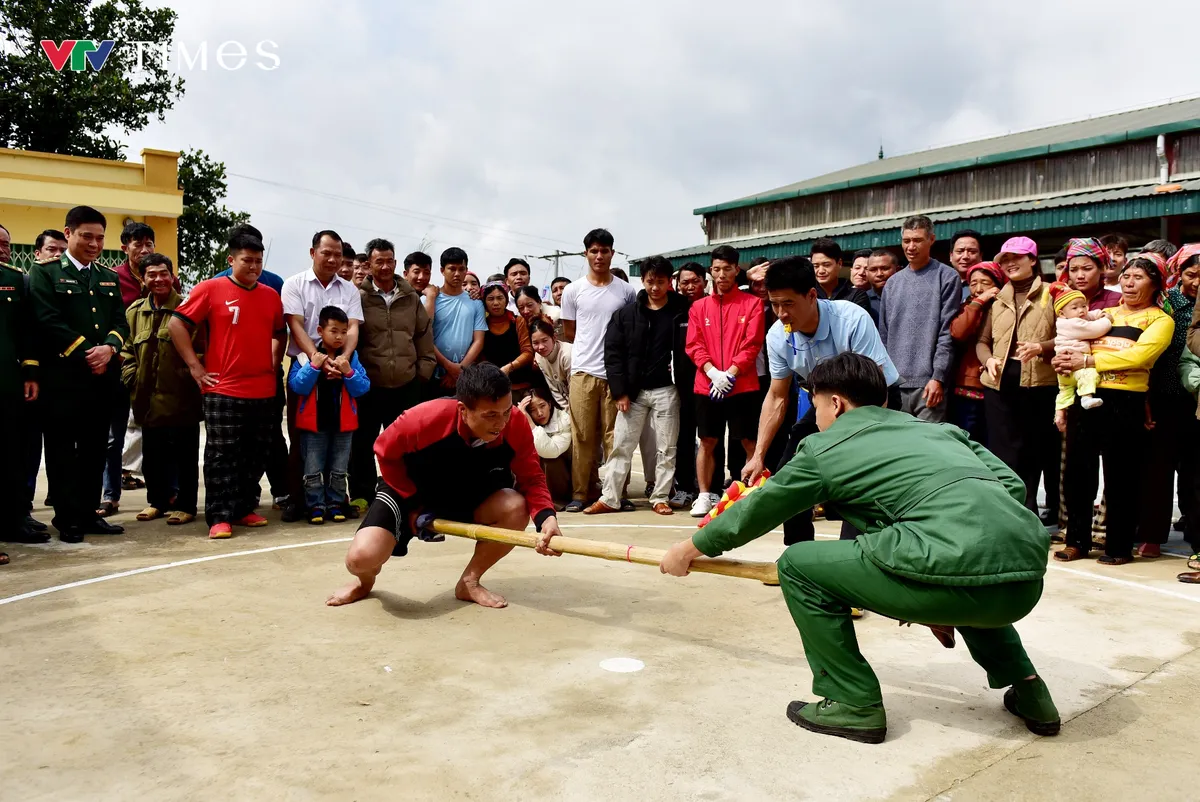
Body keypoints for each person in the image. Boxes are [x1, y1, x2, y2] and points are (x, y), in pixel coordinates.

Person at [659, 352, 1060, 745]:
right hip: (1023, 582)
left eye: (814, 405)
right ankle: (1031, 693)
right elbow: (1012, 486)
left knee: (798, 564)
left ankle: (854, 703)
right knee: (971, 562)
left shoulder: (825, 447)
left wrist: (689, 549)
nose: (815, 417)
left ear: (835, 403)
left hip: (953, 574)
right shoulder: (941, 431)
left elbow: (759, 509)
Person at [326, 363, 564, 609]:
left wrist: (546, 519)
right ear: (463, 410)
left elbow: (532, 477)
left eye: (505, 412)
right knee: (360, 559)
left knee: (516, 506)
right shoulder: (424, 418)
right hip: (408, 493)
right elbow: (384, 451)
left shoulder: (514, 422)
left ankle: (469, 582)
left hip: (468, 494)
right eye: (490, 415)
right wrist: (414, 504)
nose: (501, 423)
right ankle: (365, 583)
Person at [741, 255, 899, 546]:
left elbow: (876, 389)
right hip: (823, 405)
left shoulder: (851, 319)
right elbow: (777, 396)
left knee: (861, 479)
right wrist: (758, 454)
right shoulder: (777, 336)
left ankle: (858, 554)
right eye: (774, 304)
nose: (781, 313)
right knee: (789, 474)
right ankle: (799, 554)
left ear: (812, 295)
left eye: (788, 304)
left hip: (875, 402)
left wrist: (862, 448)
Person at [1054, 253, 1174, 564]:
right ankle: (1076, 541)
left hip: (1126, 401)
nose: (1129, 283)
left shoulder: (1160, 320)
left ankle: (1118, 547)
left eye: (1138, 278)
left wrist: (1088, 361)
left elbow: (1139, 358)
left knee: (1121, 476)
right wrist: (1064, 366)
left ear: (1155, 284)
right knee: (1077, 473)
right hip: (1086, 395)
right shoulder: (1101, 313)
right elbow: (1073, 339)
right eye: (1126, 276)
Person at [169, 230, 287, 539]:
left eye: (259, 261)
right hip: (223, 389)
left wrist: (273, 365)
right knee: (222, 455)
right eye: (247, 260)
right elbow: (177, 324)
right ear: (231, 259)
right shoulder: (210, 289)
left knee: (256, 453)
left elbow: (280, 332)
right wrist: (196, 367)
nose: (254, 267)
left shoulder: (270, 295)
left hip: (263, 390)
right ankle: (219, 515)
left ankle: (244, 508)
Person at [29, 205, 129, 542]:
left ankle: (88, 514)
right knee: (61, 450)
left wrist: (110, 348)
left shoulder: (108, 276)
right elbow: (47, 318)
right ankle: (67, 518)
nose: (95, 244)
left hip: (101, 379)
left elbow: (119, 320)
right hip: (63, 378)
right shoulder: (45, 273)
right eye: (87, 236)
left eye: (100, 238)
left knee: (94, 449)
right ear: (68, 233)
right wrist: (90, 351)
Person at [585, 255, 687, 516]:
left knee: (667, 447)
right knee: (621, 445)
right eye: (650, 282)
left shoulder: (683, 310)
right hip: (633, 392)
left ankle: (661, 496)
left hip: (669, 389)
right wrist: (619, 391)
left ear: (669, 282)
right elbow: (613, 354)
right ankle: (610, 497)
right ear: (642, 281)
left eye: (661, 282)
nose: (655, 288)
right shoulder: (626, 314)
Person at [281, 230, 365, 515]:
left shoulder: (349, 289)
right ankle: (299, 500)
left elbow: (353, 327)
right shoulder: (294, 284)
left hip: (343, 366)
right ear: (312, 252)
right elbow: (295, 325)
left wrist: (343, 359)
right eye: (326, 252)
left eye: (337, 254)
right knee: (302, 437)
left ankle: (337, 500)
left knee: (341, 439)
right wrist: (316, 359)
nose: (332, 259)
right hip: (307, 365)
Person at [975, 237, 1059, 516]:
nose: (1010, 264)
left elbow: (1070, 336)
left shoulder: (1053, 293)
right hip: (999, 383)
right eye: (1005, 260)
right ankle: (1006, 510)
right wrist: (988, 361)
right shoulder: (997, 299)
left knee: (1032, 449)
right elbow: (982, 341)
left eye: (1017, 258)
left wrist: (1041, 347)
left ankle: (1028, 509)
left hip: (1038, 383)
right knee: (1002, 450)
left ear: (1033, 260)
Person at [350, 238, 435, 510]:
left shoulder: (410, 298)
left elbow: (423, 335)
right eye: (379, 261)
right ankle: (362, 494)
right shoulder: (358, 297)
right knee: (362, 442)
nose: (385, 267)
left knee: (407, 444)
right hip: (370, 385)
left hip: (406, 382)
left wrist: (423, 372)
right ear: (369, 264)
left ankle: (405, 493)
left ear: (396, 263)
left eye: (389, 261)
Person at [120, 254, 202, 526]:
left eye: (163, 273)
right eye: (152, 274)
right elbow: (127, 350)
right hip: (146, 397)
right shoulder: (134, 312)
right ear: (143, 279)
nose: (158, 279)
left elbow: (201, 346)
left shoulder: (189, 307)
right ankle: (157, 501)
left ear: (172, 276)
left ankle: (186, 504)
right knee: (153, 455)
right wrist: (131, 377)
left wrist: (188, 375)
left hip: (181, 396)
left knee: (184, 454)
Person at [559, 228, 637, 512]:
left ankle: (617, 492)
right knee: (583, 436)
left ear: (612, 254)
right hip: (582, 372)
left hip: (616, 375)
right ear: (586, 254)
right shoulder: (573, 290)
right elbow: (570, 331)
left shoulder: (627, 291)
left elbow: (630, 332)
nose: (599, 256)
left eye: (605, 251)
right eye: (594, 251)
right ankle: (581, 493)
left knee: (616, 436)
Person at [686, 244, 764, 517]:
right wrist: (712, 373)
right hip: (706, 384)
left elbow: (752, 344)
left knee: (748, 440)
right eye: (716, 269)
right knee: (707, 440)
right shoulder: (698, 307)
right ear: (711, 271)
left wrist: (730, 373)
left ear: (736, 270)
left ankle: (753, 490)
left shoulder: (752, 304)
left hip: (742, 384)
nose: (721, 275)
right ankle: (705, 494)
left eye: (727, 269)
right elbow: (693, 344)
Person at [1138, 244, 1200, 557]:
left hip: (1197, 398)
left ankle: (1194, 532)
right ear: (1178, 272)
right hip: (1165, 394)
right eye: (1191, 274)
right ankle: (1152, 534)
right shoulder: (1169, 302)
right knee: (1158, 467)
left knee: (1195, 469)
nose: (1197, 282)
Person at [289, 306, 371, 525]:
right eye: (334, 330)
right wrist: (314, 367)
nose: (339, 336)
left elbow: (363, 388)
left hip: (344, 426)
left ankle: (335, 503)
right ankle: (315, 504)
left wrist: (348, 372)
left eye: (344, 332)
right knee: (313, 468)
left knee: (339, 468)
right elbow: (297, 386)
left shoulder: (351, 358)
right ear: (320, 330)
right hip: (314, 426)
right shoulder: (305, 358)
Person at [99, 221, 157, 518]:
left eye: (150, 244)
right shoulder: (112, 279)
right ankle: (110, 495)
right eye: (138, 244)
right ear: (125, 248)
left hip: (156, 372)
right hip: (121, 367)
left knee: (159, 433)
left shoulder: (163, 277)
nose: (145, 250)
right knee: (114, 435)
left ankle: (162, 495)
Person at [878, 215, 960, 420]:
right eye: (907, 241)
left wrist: (938, 378)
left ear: (931, 240)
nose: (911, 246)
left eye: (917, 240)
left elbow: (946, 333)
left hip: (929, 385)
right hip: (894, 384)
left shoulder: (947, 277)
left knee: (927, 446)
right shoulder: (892, 283)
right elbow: (883, 336)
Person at [0, 240, 44, 561]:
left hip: (8, 383)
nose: (3, 249)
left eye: (6, 244)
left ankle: (14, 522)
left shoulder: (16, 280)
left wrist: (29, 372)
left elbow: (27, 331)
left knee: (12, 456)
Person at [22, 229, 66, 527]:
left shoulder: (67, 284)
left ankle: (61, 502)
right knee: (26, 446)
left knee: (59, 445)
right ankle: (22, 506)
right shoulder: (22, 283)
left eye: (63, 250)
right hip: (28, 377)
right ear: (37, 253)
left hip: (61, 378)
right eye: (52, 249)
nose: (58, 255)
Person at [949, 261, 1006, 444]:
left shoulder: (1005, 308)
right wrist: (978, 303)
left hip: (998, 384)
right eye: (973, 283)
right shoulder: (968, 306)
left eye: (985, 283)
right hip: (968, 386)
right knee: (967, 441)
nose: (979, 288)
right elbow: (958, 332)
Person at [1050, 284, 1112, 432]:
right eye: (1075, 308)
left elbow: (1090, 315)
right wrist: (1107, 319)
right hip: (1076, 367)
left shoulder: (1071, 319)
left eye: (1083, 306)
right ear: (1062, 313)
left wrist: (1099, 313)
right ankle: (1086, 397)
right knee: (1089, 374)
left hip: (1063, 369)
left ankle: (1059, 414)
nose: (1081, 310)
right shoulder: (1072, 324)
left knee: (1065, 390)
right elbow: (1095, 329)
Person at [669, 262, 706, 509]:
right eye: (685, 282)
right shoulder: (675, 312)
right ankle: (684, 487)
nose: (690, 286)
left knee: (709, 438)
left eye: (695, 281)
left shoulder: (713, 307)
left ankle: (709, 489)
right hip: (681, 386)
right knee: (682, 438)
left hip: (708, 383)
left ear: (704, 281)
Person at [432, 248, 486, 397]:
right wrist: (449, 366)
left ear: (466, 270)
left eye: (461, 269)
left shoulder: (475, 302)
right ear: (442, 270)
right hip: (434, 374)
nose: (457, 274)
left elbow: (479, 341)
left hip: (466, 376)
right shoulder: (430, 300)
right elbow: (424, 338)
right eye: (452, 269)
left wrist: (460, 369)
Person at [480, 281, 536, 399]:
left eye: (500, 298)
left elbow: (527, 352)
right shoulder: (481, 325)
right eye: (491, 299)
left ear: (506, 300)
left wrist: (509, 367)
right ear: (484, 302)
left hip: (522, 388)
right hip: (493, 389)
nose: (496, 303)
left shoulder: (518, 321)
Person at [519, 384, 572, 507]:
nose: (539, 413)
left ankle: (553, 501)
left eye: (542, 406)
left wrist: (530, 423)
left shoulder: (563, 419)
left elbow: (551, 451)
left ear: (549, 403)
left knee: (549, 460)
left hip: (562, 475)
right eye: (532, 410)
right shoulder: (521, 419)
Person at [809, 238, 872, 319]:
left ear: (839, 263)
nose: (820, 271)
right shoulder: (807, 295)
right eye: (816, 266)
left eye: (826, 265)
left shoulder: (856, 295)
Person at [530, 316, 571, 410]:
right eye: (535, 343)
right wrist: (567, 410)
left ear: (554, 337)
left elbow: (576, 390)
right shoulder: (539, 357)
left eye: (544, 341)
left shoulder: (567, 355)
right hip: (567, 405)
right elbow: (554, 389)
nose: (540, 347)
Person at [864, 249, 898, 323]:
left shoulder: (908, 296)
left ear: (897, 269)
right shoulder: (863, 300)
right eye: (873, 270)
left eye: (885, 268)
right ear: (867, 272)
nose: (879, 274)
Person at [948, 229, 984, 298]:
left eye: (972, 251)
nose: (965, 256)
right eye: (960, 251)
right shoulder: (940, 283)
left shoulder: (990, 285)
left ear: (980, 256)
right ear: (951, 256)